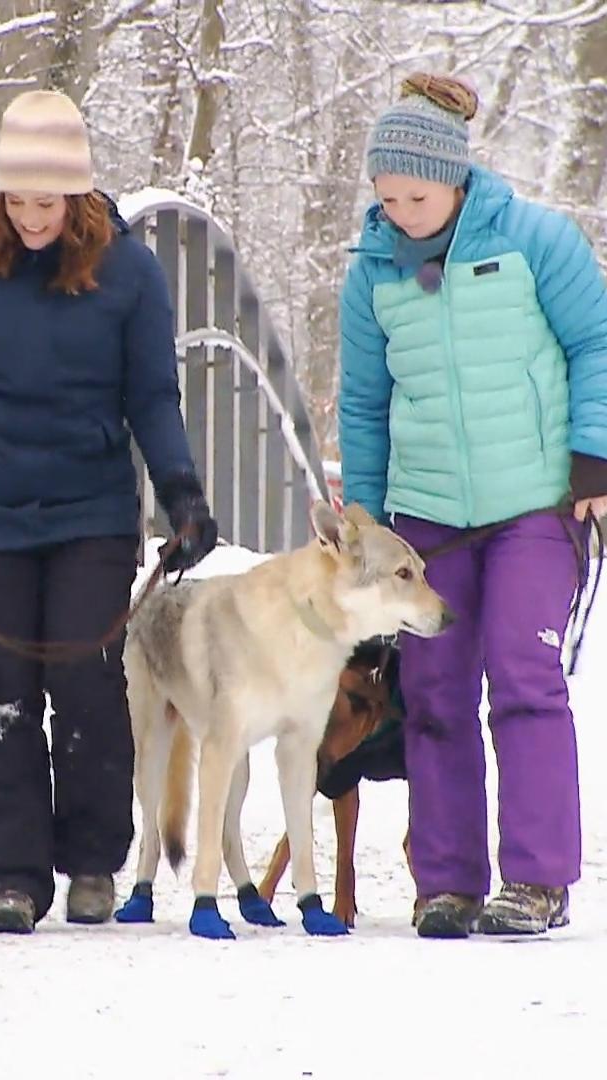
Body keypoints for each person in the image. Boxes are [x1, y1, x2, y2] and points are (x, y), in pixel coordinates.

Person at [0, 90, 217, 933]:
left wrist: (182, 494)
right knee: (3, 694)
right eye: (15, 200)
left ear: (79, 194)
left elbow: (152, 396)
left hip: (91, 513)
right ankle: (11, 875)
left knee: (87, 682)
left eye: (45, 202)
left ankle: (91, 860)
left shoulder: (131, 274)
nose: (28, 217)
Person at [339, 72, 607, 938]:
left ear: (454, 177)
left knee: (523, 676)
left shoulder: (536, 241)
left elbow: (597, 342)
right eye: (385, 199)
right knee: (433, 690)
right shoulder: (372, 272)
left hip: (536, 503)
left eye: (414, 198)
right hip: (426, 517)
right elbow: (363, 402)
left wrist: (595, 461)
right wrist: (365, 521)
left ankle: (537, 880)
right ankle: (446, 883)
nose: (400, 214)